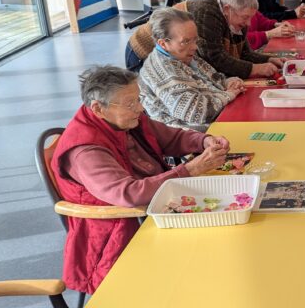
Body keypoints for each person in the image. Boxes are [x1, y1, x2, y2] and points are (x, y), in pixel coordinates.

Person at [51, 65, 231, 294]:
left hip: (153, 205)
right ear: (98, 108)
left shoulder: (122, 120)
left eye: (138, 99)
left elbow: (170, 137)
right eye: (130, 103)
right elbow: (128, 193)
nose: (140, 108)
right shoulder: (86, 151)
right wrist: (190, 170)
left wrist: (203, 141)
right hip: (120, 229)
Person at [139, 8, 244, 131]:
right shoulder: (163, 70)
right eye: (186, 41)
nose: (194, 46)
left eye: (195, 39)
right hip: (189, 134)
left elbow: (212, 78)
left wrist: (227, 82)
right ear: (163, 44)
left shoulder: (181, 55)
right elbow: (196, 113)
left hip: (217, 118)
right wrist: (228, 94)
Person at [185, 0, 282, 78]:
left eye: (250, 18)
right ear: (227, 9)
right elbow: (213, 58)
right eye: (245, 17)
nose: (248, 23)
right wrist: (254, 69)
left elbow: (245, 54)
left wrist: (269, 59)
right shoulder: (206, 12)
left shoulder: (236, 17)